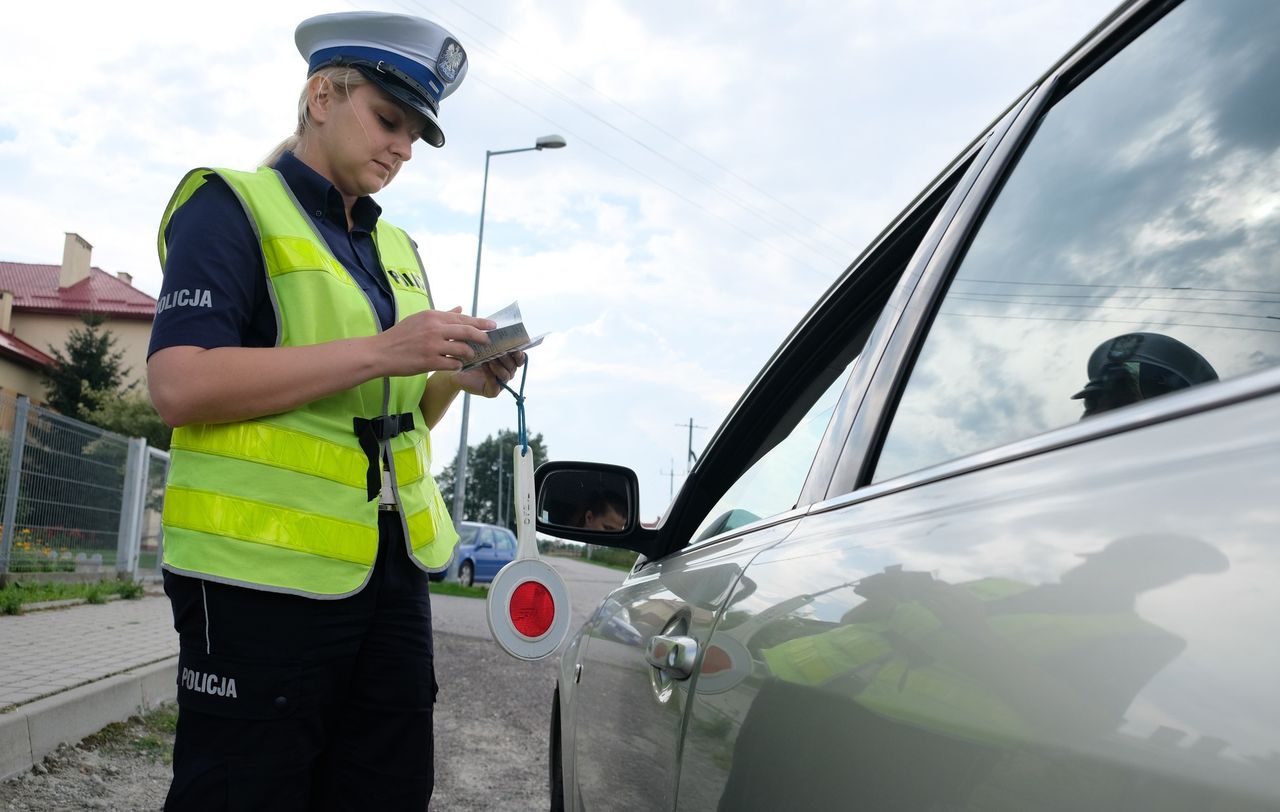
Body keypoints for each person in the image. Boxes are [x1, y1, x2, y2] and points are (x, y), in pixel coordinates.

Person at [146, 12, 521, 810]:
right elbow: (177, 385)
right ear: (322, 95)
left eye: (416, 133)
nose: (402, 147)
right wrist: (387, 350)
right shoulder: (230, 206)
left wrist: (458, 374)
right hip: (255, 576)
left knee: (386, 791)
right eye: (389, 119)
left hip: (388, 573)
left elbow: (401, 419)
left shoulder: (396, 249)